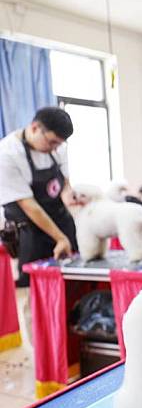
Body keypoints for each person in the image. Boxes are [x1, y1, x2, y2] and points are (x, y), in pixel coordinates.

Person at [0, 107, 78, 287]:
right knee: (33, 288)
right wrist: (60, 238)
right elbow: (29, 206)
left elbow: (65, 182)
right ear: (35, 128)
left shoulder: (58, 147)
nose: (55, 148)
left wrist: (68, 196)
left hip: (60, 219)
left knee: (70, 283)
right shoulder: (7, 154)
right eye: (51, 142)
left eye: (59, 144)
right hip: (29, 229)